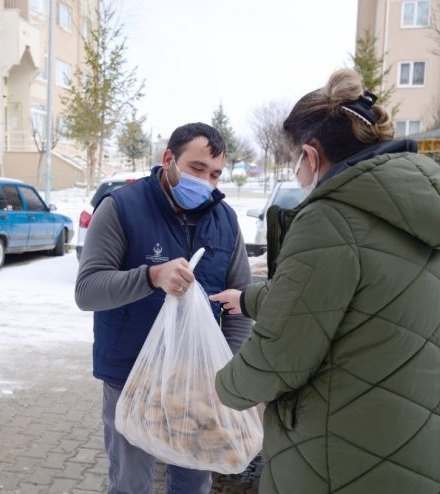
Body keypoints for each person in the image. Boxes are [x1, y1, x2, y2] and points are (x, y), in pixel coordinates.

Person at [210, 68, 440, 494]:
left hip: (349, 459)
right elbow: (356, 300)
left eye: (295, 158)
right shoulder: (421, 214)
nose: (297, 171)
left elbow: (282, 354)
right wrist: (248, 300)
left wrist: (218, 387)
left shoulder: (329, 218)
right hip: (435, 449)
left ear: (311, 155)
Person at [75, 122, 253, 494]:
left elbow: (239, 302)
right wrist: (151, 276)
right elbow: (88, 290)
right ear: (168, 158)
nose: (206, 182)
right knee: (131, 483)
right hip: (130, 375)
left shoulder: (226, 221)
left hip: (197, 380)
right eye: (197, 169)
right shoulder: (121, 208)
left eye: (215, 174)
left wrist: (224, 370)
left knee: (194, 478)